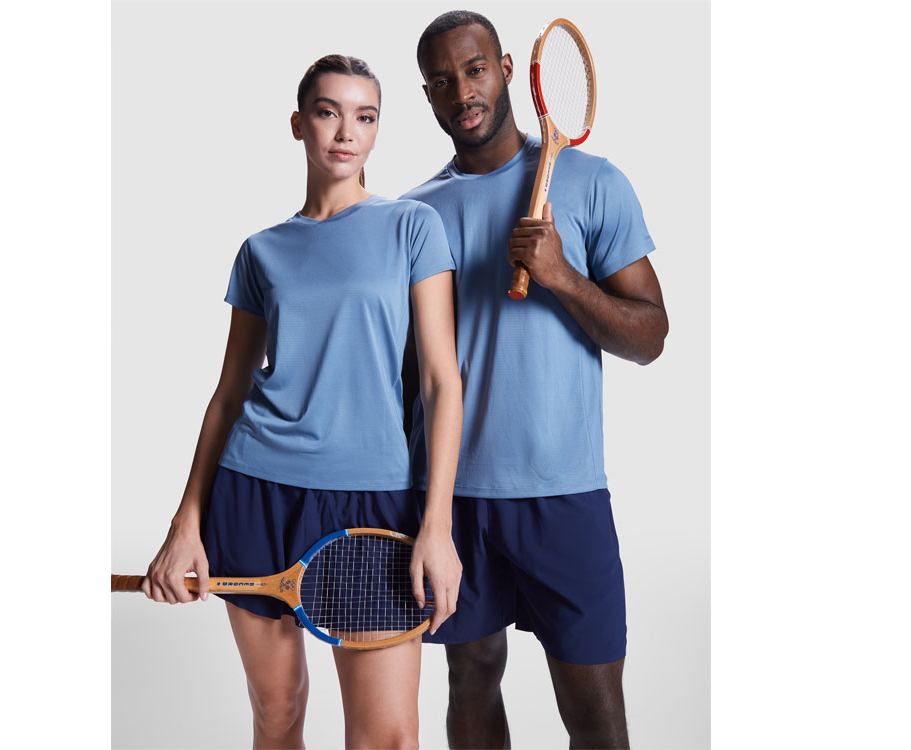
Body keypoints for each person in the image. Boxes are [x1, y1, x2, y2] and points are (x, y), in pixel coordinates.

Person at [140, 54, 463, 750]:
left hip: (373, 507)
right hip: (257, 493)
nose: (346, 132)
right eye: (328, 112)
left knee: (388, 738)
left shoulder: (413, 228)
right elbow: (229, 393)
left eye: (365, 116)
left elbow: (442, 381)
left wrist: (437, 526)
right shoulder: (261, 251)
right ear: (298, 124)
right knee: (276, 711)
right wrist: (186, 522)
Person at [402, 11, 669, 749]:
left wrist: (562, 278)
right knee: (470, 678)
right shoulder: (413, 213)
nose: (463, 91)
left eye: (475, 69)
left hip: (564, 494)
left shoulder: (595, 183)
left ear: (508, 68)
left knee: (594, 711)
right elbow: (407, 371)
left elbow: (651, 336)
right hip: (452, 500)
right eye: (443, 81)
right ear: (428, 96)